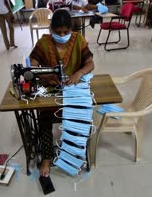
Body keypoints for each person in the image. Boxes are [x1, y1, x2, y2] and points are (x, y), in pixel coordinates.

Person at [29, 9, 95, 177]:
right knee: (44, 117)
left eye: (66, 31)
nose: (62, 35)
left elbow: (90, 64)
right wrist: (45, 76)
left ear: (71, 29)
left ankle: (73, 151)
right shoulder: (44, 43)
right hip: (51, 88)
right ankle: (47, 157)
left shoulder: (79, 40)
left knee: (77, 114)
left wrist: (79, 73)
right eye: (58, 32)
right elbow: (33, 64)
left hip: (73, 88)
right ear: (51, 30)